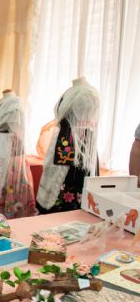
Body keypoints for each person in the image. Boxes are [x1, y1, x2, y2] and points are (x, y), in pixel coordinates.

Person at [37, 77, 99, 213]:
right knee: (53, 183)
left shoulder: (88, 94)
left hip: (78, 149)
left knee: (69, 187)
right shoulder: (69, 92)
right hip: (62, 143)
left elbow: (87, 124)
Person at [0, 90, 37, 218]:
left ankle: (9, 215)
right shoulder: (1, 102)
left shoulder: (15, 103)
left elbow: (18, 129)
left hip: (9, 150)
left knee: (7, 185)